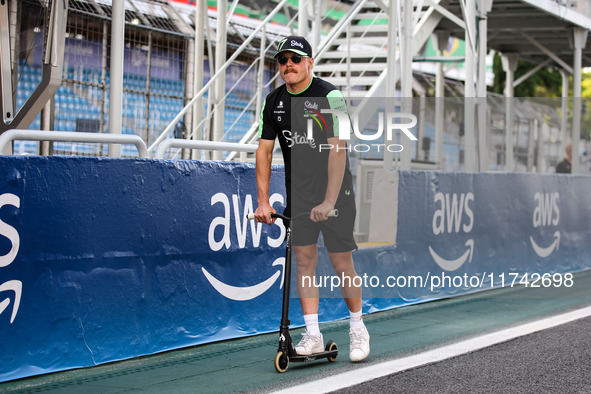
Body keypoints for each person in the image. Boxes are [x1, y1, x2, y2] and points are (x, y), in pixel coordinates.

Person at [253, 36, 370, 362]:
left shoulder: (331, 96)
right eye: (282, 60)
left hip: (338, 195)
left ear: (310, 63)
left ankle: (358, 327)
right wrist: (263, 201)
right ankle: (313, 335)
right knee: (304, 261)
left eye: (295, 58)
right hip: (300, 196)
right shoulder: (272, 101)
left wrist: (329, 201)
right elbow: (264, 151)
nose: (288, 64)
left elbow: (339, 147)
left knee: (340, 262)